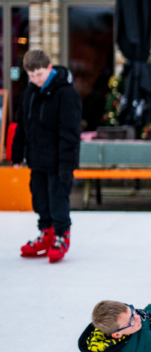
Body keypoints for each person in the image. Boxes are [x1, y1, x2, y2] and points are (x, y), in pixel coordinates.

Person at [13, 49, 82, 263]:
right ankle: (46, 233)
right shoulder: (30, 92)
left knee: (57, 199)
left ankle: (61, 235)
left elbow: (69, 132)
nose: (35, 80)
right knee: (40, 198)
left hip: (59, 162)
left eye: (39, 75)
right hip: (36, 159)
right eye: (31, 76)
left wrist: (66, 165)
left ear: (49, 69)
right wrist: (17, 155)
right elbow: (21, 125)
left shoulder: (65, 93)